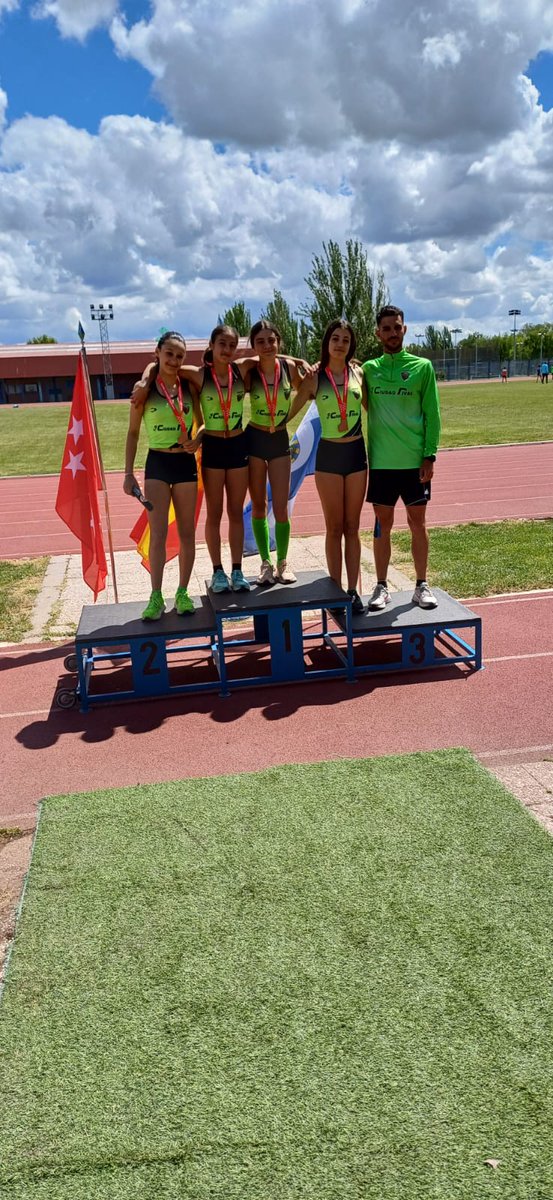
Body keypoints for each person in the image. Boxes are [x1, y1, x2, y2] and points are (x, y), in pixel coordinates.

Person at [362, 305, 441, 611]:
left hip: (414, 464)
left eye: (397, 327)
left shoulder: (422, 367)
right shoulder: (368, 370)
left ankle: (421, 585)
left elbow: (432, 415)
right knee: (382, 524)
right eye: (386, 329)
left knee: (417, 523)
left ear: (404, 329)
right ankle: (381, 587)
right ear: (377, 333)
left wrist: (429, 455)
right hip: (382, 463)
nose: (392, 333)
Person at [124, 331, 203, 620]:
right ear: (157, 353)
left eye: (179, 355)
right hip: (157, 464)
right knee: (157, 533)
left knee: (186, 533)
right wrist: (127, 473)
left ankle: (182, 592)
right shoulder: (144, 389)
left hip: (184, 465)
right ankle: (156, 596)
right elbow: (133, 433)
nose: (174, 360)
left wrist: (199, 439)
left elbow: (202, 424)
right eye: (169, 353)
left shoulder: (189, 386)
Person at [289, 319, 367, 612]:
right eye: (335, 338)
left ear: (351, 345)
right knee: (334, 527)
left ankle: (353, 591)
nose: (340, 344)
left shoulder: (359, 372)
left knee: (352, 527)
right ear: (327, 342)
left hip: (356, 455)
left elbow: (373, 408)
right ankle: (336, 592)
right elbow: (289, 413)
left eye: (346, 340)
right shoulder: (314, 377)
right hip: (329, 457)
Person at [244, 320, 307, 585]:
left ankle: (282, 561)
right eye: (261, 342)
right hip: (254, 439)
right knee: (259, 505)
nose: (267, 346)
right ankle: (265, 564)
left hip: (279, 439)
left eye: (272, 340)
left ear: (278, 341)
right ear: (253, 346)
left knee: (281, 507)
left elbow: (306, 391)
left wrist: (288, 416)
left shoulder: (290, 368)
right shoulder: (249, 370)